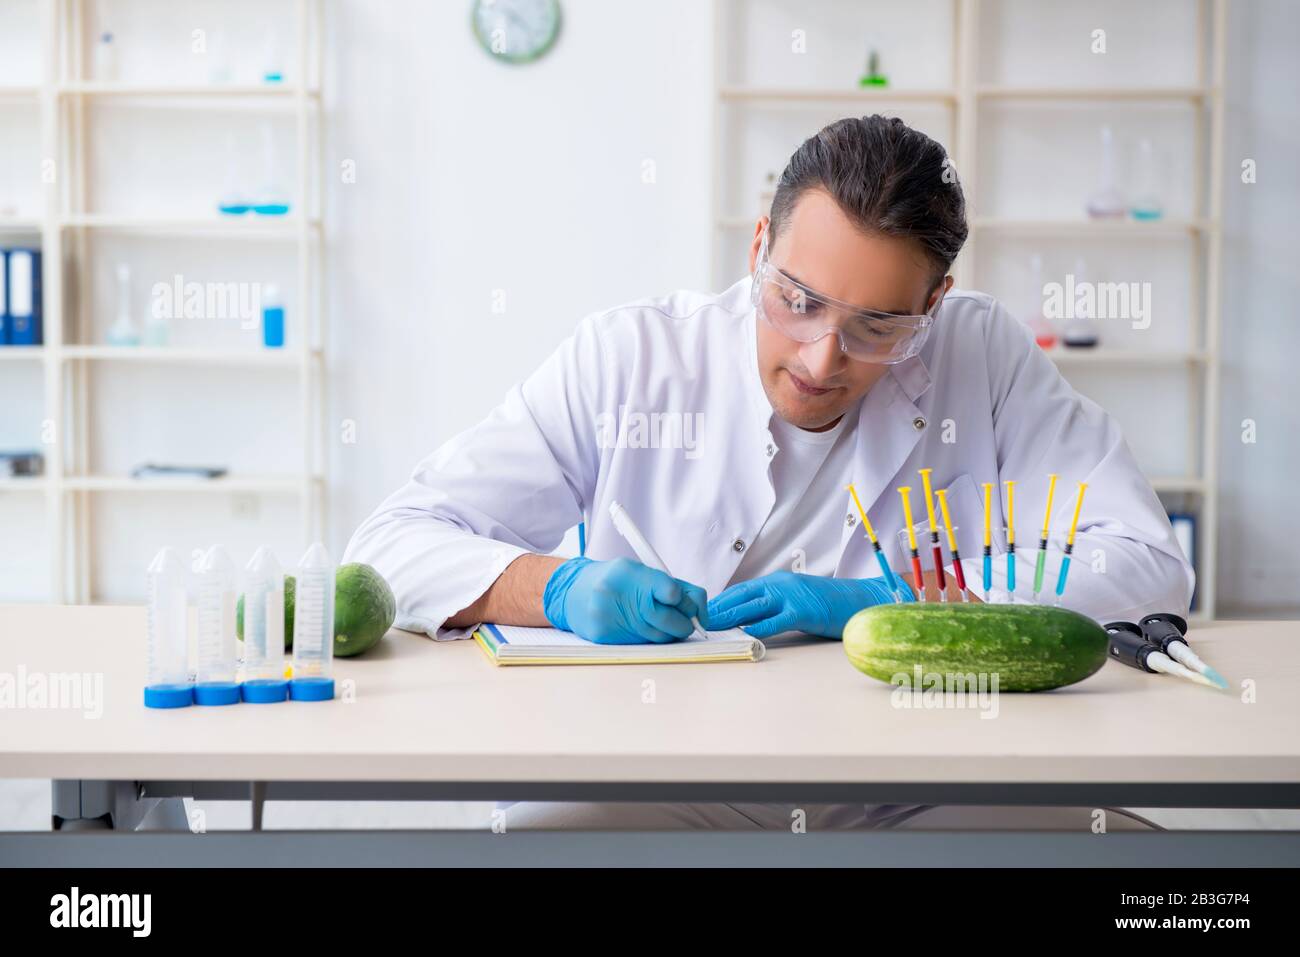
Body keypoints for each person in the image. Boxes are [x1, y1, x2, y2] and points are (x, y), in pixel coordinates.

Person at [343, 115, 1192, 831]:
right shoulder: (632, 359)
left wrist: (906, 603)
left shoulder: (984, 354)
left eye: (876, 326)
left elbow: (1148, 567)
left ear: (932, 305)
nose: (823, 356)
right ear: (759, 248)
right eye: (799, 300)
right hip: (661, 777)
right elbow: (390, 548)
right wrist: (555, 586)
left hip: (924, 782)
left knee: (1180, 895)